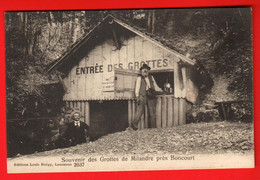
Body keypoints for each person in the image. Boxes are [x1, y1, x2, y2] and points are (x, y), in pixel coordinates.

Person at [131, 64, 163, 130]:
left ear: (148, 70)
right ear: (141, 71)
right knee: (140, 110)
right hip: (142, 95)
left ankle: (153, 128)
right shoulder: (139, 78)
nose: (145, 70)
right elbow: (137, 88)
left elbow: (155, 86)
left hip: (150, 95)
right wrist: (137, 96)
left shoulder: (151, 77)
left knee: (152, 111)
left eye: (146, 69)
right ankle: (134, 124)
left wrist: (161, 90)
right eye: (143, 69)